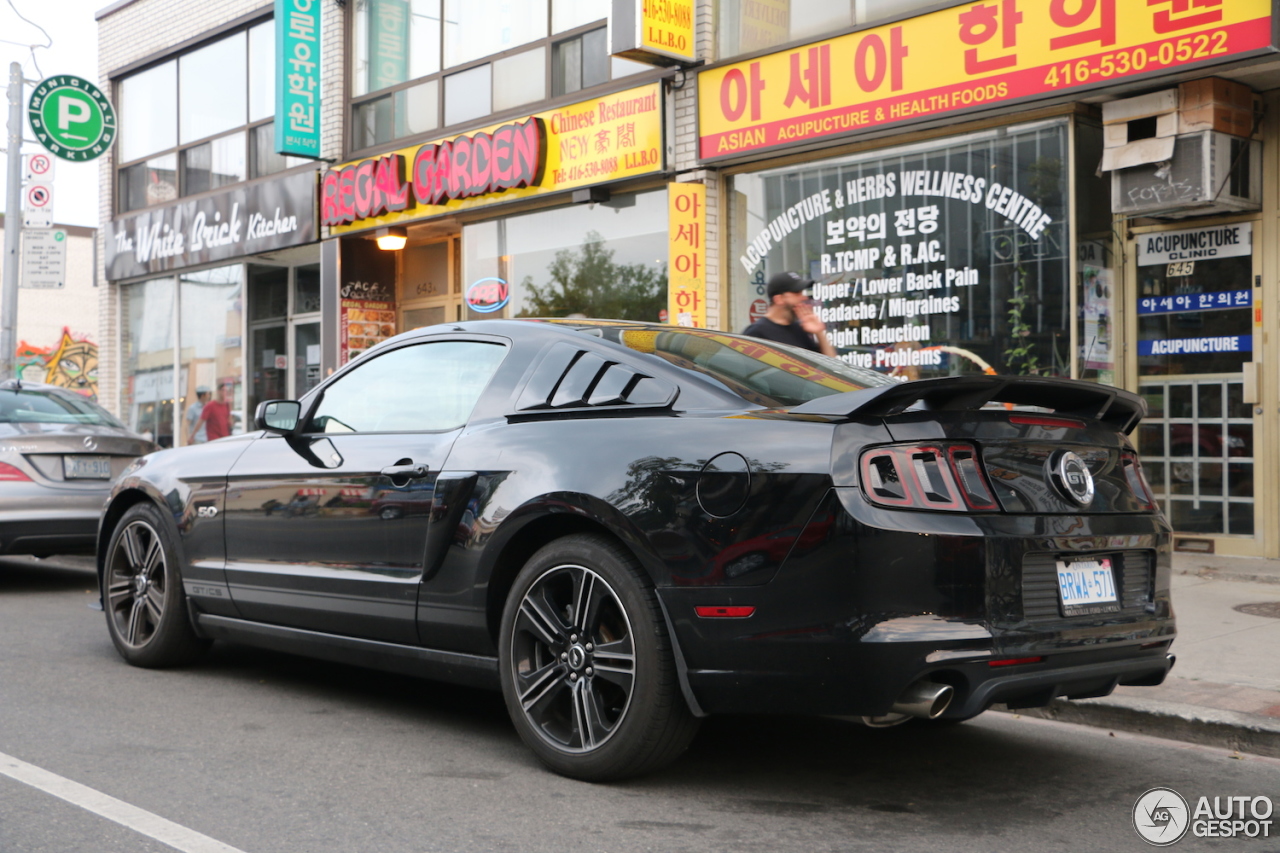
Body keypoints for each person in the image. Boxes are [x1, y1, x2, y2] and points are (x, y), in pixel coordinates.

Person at [741, 271, 837, 356]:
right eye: (797, 293)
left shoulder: (799, 329)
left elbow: (830, 366)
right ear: (779, 299)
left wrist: (819, 332)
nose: (804, 298)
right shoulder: (756, 332)